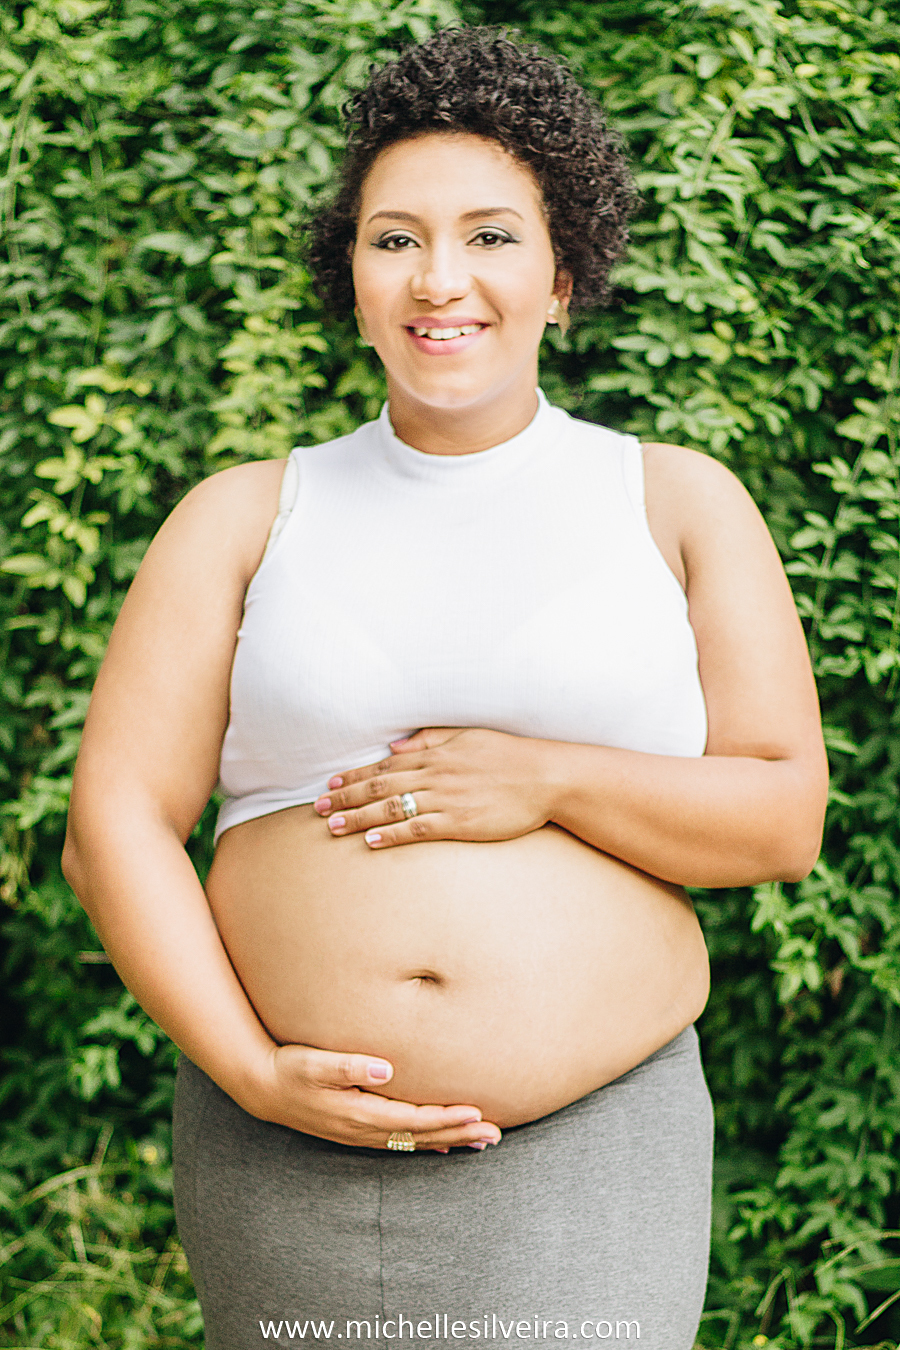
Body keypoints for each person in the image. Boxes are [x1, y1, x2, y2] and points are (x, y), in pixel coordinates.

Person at [62, 27, 828, 1350]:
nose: (439, 278)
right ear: (353, 280)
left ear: (562, 276)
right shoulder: (242, 515)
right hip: (278, 1142)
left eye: (490, 235)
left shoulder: (678, 502)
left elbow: (782, 816)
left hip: (593, 1146)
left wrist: (551, 778)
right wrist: (253, 1069)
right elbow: (113, 822)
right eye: (395, 238)